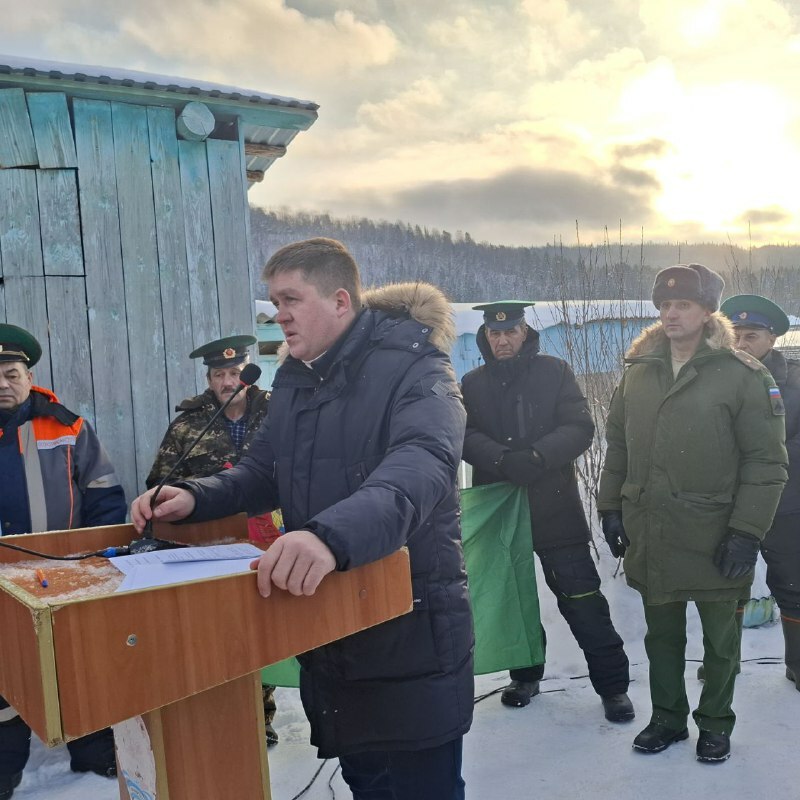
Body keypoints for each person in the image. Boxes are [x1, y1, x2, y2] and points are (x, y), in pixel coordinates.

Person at [131, 238, 473, 800]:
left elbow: (421, 465)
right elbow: (262, 469)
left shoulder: (416, 366)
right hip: (332, 626)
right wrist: (195, 496)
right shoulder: (295, 379)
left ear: (340, 301)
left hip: (408, 626)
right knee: (367, 783)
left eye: (290, 299)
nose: (279, 315)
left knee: (418, 788)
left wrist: (327, 537)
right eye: (273, 302)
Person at [597, 265, 788, 764]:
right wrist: (611, 506)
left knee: (720, 640)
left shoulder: (742, 374)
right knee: (661, 636)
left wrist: (747, 531)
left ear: (706, 312)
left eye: (682, 305)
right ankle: (667, 718)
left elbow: (766, 463)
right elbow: (618, 447)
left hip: (715, 531)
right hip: (653, 529)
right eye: (664, 305)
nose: (671, 314)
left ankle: (716, 722)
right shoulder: (639, 372)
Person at [460, 301, 633, 722]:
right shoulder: (472, 383)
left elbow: (580, 427)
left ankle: (613, 687)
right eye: (495, 333)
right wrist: (501, 459)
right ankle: (525, 676)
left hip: (554, 505)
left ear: (525, 333)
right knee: (514, 598)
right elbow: (462, 433)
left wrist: (538, 456)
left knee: (583, 599)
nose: (503, 340)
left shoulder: (554, 372)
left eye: (510, 332)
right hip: (499, 507)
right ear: (486, 336)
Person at [0, 324, 126, 799]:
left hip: (63, 577)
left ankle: (93, 754)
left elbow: (103, 494)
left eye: (11, 373)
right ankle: (4, 769)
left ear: (29, 377)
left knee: (76, 667)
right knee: (3, 674)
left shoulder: (67, 425)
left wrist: (95, 564)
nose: (2, 384)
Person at [146, 334, 281, 745]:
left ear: (248, 374)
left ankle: (261, 716)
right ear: (209, 380)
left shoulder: (278, 411)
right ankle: (222, 715)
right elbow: (159, 484)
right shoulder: (188, 424)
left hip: (272, 536)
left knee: (266, 626)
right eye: (219, 375)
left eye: (234, 372)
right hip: (214, 545)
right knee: (222, 629)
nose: (228, 382)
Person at [720, 294, 800, 692]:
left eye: (750, 336)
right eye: (734, 335)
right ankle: (723, 663)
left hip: (786, 503)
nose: (741, 343)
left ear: (772, 338)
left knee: (793, 586)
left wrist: (763, 458)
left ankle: (797, 664)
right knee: (726, 586)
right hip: (729, 505)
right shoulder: (715, 378)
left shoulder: (795, 381)